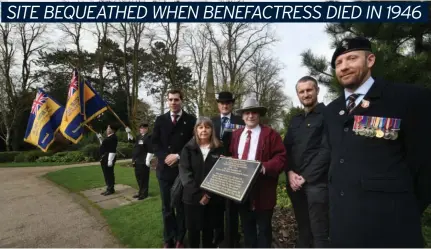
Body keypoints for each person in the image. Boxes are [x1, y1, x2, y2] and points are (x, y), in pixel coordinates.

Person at [324, 36, 431, 247]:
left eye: (352, 58)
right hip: (343, 228)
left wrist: (402, 207)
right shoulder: (331, 112)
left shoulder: (408, 99)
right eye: (338, 63)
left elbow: (425, 164)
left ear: (370, 60)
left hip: (392, 229)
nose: (344, 67)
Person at [230, 98, 286, 248]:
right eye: (247, 113)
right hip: (242, 191)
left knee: (264, 229)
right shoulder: (236, 135)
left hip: (263, 190)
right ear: (242, 116)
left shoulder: (271, 134)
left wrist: (264, 166)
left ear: (259, 114)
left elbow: (281, 156)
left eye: (254, 112)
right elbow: (233, 156)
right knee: (247, 228)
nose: (250, 116)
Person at [283, 76, 330, 248]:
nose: (306, 94)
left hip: (316, 183)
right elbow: (286, 148)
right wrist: (289, 172)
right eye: (301, 92)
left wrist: (305, 177)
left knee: (320, 232)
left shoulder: (328, 115)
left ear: (317, 90)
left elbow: (327, 150)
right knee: (303, 228)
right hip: (295, 183)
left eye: (309, 90)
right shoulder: (296, 120)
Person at [152, 89, 196, 248]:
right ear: (167, 101)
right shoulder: (160, 120)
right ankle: (168, 238)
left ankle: (179, 239)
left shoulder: (191, 120)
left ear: (181, 101)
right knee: (167, 207)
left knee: (181, 206)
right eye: (170, 100)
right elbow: (154, 143)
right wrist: (165, 157)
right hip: (164, 170)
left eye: (176, 100)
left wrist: (177, 155)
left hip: (182, 170)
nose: (173, 102)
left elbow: (193, 143)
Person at [178, 117, 225, 248]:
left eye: (207, 127)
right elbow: (185, 174)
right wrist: (200, 195)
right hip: (192, 199)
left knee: (208, 233)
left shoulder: (219, 148)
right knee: (193, 233)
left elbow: (221, 173)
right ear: (196, 130)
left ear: (212, 130)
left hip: (212, 199)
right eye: (201, 127)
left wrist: (208, 195)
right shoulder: (188, 148)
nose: (204, 130)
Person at [211, 91, 244, 247]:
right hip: (215, 169)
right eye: (222, 103)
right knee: (217, 206)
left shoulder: (241, 121)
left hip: (234, 169)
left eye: (228, 103)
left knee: (232, 208)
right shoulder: (211, 122)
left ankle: (233, 238)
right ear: (218, 104)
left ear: (232, 104)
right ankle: (218, 237)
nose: (225, 105)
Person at [126, 123, 154, 200]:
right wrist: (128, 133)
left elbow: (151, 149)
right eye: (140, 128)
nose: (140, 129)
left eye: (142, 128)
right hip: (137, 160)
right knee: (138, 178)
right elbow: (132, 141)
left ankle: (144, 194)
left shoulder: (149, 137)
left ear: (146, 128)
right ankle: (140, 192)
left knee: (144, 178)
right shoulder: (139, 136)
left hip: (143, 161)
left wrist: (148, 160)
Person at [99, 124, 119, 196]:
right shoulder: (109, 137)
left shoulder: (113, 138)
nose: (107, 130)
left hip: (108, 158)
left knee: (109, 174)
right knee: (106, 174)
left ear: (112, 130)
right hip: (104, 158)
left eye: (108, 129)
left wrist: (110, 160)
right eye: (107, 129)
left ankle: (110, 189)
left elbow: (112, 150)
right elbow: (104, 145)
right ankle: (109, 188)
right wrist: (101, 139)